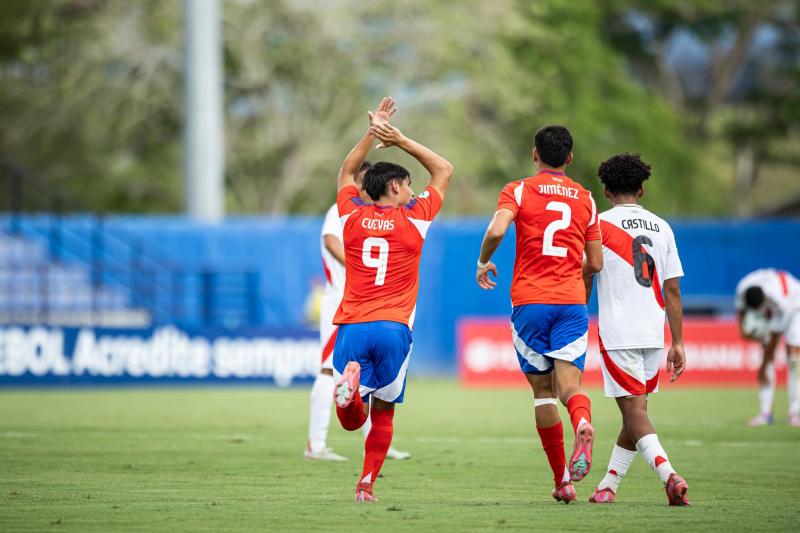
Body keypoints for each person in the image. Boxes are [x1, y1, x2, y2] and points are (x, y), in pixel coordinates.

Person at [332, 97, 454, 502]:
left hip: (351, 326)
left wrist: (372, 130)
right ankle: (366, 483)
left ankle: (351, 384)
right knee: (383, 411)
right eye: (408, 185)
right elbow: (444, 169)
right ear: (395, 187)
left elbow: (348, 170)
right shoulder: (415, 218)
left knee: (351, 422)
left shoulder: (349, 215)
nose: (413, 190)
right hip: (392, 327)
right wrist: (398, 139)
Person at [475, 125, 603, 504]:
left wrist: (483, 261)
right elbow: (594, 262)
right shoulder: (585, 198)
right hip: (571, 302)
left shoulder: (518, 189)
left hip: (530, 302)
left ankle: (563, 480)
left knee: (542, 392)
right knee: (569, 388)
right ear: (570, 158)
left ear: (535, 154)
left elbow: (498, 229)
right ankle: (581, 422)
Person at [583, 153, 689, 506]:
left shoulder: (597, 225)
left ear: (606, 189)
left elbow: (584, 276)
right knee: (636, 414)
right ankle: (608, 487)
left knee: (634, 414)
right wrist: (678, 342)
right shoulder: (662, 227)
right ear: (641, 190)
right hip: (652, 332)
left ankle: (669, 476)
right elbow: (672, 290)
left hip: (618, 333)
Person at [304, 160, 411, 461]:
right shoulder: (342, 211)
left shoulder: (374, 216)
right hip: (341, 300)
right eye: (363, 180)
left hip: (365, 306)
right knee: (329, 369)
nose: (367, 187)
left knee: (370, 374)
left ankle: (377, 443)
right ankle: (316, 444)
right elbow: (329, 239)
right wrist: (356, 265)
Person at [735, 268, 800, 427]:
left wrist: (762, 368)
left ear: (765, 301)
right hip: (775, 302)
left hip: (795, 304)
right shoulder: (742, 289)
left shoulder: (779, 300)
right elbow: (741, 314)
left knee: (794, 358)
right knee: (766, 351)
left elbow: (774, 338)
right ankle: (766, 414)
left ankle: (795, 414)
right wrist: (745, 332)